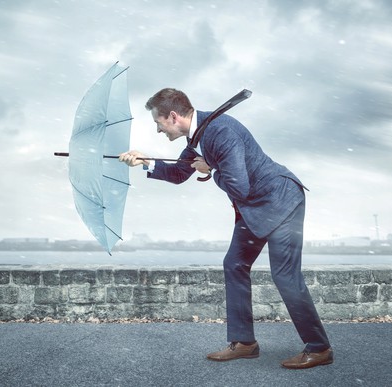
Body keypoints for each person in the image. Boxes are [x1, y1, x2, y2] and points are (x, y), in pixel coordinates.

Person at [119, 88, 333, 369]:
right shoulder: (197, 138)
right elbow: (180, 173)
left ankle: (319, 348)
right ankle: (244, 343)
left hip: (281, 201)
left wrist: (211, 170)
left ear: (173, 116)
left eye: (158, 123)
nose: (158, 131)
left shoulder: (220, 132)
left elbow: (239, 187)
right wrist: (146, 162)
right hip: (253, 207)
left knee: (284, 276)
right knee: (234, 264)